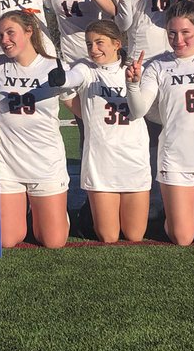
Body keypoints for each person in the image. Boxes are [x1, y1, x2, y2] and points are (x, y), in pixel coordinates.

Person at [125, 1, 194, 245]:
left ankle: (185, 215)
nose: (179, 40)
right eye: (172, 33)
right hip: (175, 158)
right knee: (183, 237)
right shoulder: (157, 65)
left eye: (186, 33)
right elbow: (138, 111)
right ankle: (175, 219)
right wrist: (132, 84)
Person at [0, 10, 71, 249]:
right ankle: (24, 211)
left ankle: (51, 212)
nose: (4, 40)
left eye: (10, 33)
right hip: (7, 163)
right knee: (7, 240)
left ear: (29, 31)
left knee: (53, 241)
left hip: (45, 162)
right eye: (0, 35)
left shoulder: (55, 66)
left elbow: (77, 105)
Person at [63, 20, 150, 242]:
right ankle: (86, 217)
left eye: (100, 43)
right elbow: (72, 80)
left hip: (133, 158)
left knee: (134, 235)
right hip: (101, 163)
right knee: (109, 236)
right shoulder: (85, 68)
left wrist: (133, 83)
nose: (93, 49)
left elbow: (139, 111)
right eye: (89, 44)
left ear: (116, 44)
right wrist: (62, 83)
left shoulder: (137, 70)